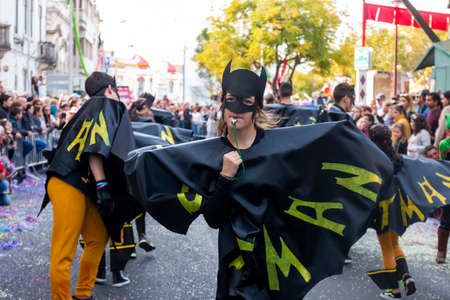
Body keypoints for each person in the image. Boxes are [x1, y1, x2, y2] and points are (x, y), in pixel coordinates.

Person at [40, 72, 139, 300]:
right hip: (68, 182)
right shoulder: (105, 104)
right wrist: (103, 185)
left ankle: (83, 294)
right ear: (110, 89)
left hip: (79, 183)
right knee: (64, 250)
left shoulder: (91, 107)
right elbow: (96, 147)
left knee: (97, 237)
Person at [368, 125, 416, 299]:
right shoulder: (397, 157)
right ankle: (406, 276)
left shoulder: (373, 159)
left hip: (382, 208)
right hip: (397, 207)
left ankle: (393, 290)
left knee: (386, 248)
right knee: (394, 244)